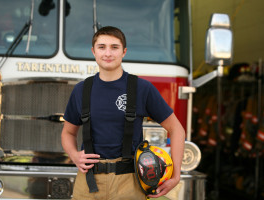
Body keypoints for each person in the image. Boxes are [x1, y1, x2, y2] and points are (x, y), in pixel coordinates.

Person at [61, 26, 185, 200]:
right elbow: (68, 132)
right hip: (88, 183)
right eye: (101, 47)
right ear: (93, 51)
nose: (108, 53)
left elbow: (176, 129)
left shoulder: (142, 88)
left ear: (124, 52)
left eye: (114, 47)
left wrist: (176, 175)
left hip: (130, 182)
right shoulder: (81, 90)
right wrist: (74, 155)